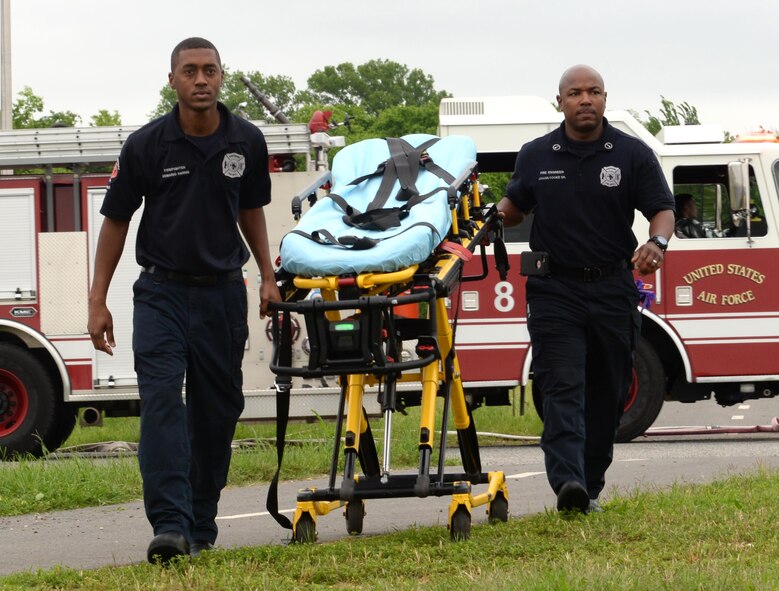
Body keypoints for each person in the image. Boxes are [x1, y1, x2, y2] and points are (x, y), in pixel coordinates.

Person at [87, 37, 281, 563]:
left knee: (217, 413)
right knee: (163, 403)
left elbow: (252, 212)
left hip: (221, 295)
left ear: (222, 77)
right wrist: (97, 300)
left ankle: (200, 523)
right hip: (161, 294)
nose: (201, 79)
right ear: (171, 79)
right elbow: (116, 222)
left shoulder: (246, 140)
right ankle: (169, 526)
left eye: (210, 70)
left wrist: (267, 275)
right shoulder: (147, 145)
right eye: (189, 71)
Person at [497, 64, 675, 514]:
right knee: (562, 385)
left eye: (593, 92)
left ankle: (589, 482)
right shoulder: (536, 154)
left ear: (605, 99)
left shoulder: (631, 154)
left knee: (610, 390)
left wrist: (657, 243)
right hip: (554, 290)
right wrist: (489, 217)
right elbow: (514, 207)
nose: (585, 100)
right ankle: (568, 484)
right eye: (575, 93)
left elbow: (662, 210)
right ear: (560, 101)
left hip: (613, 287)